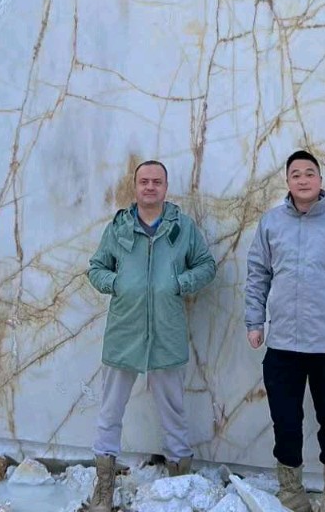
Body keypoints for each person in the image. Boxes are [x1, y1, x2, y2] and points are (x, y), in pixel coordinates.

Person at [245, 150, 325, 512]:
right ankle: (291, 493)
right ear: (287, 182)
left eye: (309, 173)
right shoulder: (271, 224)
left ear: (320, 180)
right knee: (286, 422)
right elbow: (257, 276)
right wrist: (254, 322)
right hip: (282, 344)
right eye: (296, 174)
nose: (303, 179)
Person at [87, 160, 216, 511]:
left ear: (165, 187)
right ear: (135, 186)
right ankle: (104, 486)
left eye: (156, 182)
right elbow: (96, 268)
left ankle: (179, 483)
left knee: (173, 411)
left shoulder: (182, 228)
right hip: (124, 331)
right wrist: (117, 283)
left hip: (166, 331)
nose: (150, 187)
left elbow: (206, 265)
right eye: (144, 181)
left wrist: (180, 283)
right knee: (110, 411)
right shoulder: (118, 228)